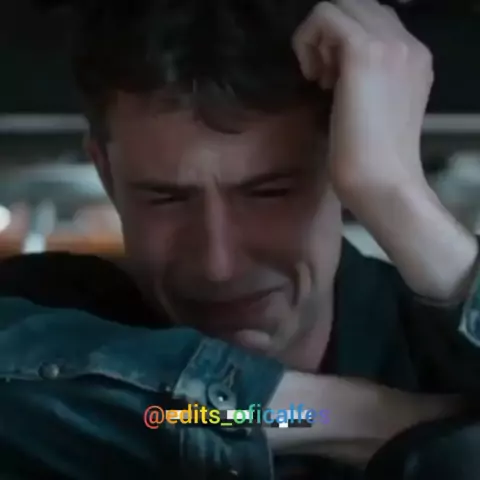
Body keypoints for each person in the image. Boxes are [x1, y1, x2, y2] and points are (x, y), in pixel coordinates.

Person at [0, 0, 479, 478]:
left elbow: (161, 416)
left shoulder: (431, 349)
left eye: (269, 193)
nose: (218, 265)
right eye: (166, 199)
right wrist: (351, 418)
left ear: (339, 165)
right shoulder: (45, 309)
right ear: (106, 174)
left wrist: (398, 193)